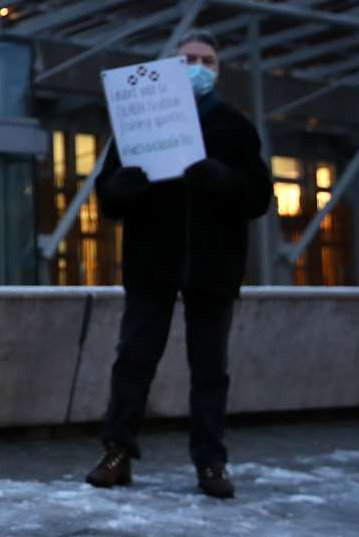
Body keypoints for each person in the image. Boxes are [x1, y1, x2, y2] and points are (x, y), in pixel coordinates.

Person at [86, 28, 272, 500]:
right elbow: (107, 196)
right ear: (170, 64)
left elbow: (258, 198)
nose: (197, 67)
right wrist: (126, 186)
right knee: (134, 361)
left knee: (210, 369)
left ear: (218, 69)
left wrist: (222, 180)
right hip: (152, 265)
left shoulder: (235, 127)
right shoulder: (137, 122)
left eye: (207, 60)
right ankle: (117, 452)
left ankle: (211, 462)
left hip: (213, 269)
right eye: (189, 58)